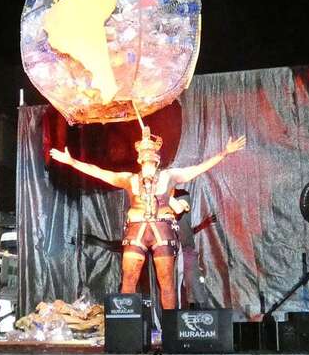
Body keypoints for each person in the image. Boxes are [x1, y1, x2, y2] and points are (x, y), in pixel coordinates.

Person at [50, 126, 246, 309]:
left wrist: (224, 153)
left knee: (166, 281)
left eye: (151, 150)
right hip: (136, 230)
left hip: (162, 230)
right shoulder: (129, 179)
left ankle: (169, 329)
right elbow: (100, 173)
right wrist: (72, 162)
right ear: (138, 158)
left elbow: (197, 169)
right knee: (129, 278)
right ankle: (127, 325)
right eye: (144, 151)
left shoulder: (169, 176)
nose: (147, 153)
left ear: (158, 157)